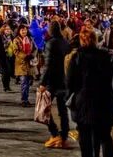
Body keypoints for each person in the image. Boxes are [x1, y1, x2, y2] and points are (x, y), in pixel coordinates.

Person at [67, 27, 113, 157]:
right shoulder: (105, 57)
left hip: (83, 102)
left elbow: (70, 82)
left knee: (85, 137)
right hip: (103, 101)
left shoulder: (77, 58)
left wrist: (70, 98)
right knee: (104, 136)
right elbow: (112, 81)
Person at [41, 21, 72, 149]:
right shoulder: (65, 42)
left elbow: (48, 65)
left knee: (44, 108)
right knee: (63, 111)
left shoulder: (51, 43)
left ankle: (54, 134)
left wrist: (42, 82)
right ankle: (63, 136)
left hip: (52, 81)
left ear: (50, 30)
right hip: (63, 80)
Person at [13, 24, 36, 107]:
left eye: (25, 30)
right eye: (22, 30)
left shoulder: (30, 39)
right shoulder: (16, 40)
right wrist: (25, 56)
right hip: (21, 64)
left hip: (30, 64)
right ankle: (24, 100)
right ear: (19, 31)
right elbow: (15, 51)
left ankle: (26, 98)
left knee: (28, 82)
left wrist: (32, 55)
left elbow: (35, 48)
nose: (24, 31)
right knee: (24, 82)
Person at [0, 23, 16, 92]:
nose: (8, 30)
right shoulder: (1, 37)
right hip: (4, 56)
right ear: (3, 30)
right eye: (6, 29)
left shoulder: (12, 36)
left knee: (9, 72)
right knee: (5, 72)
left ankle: (8, 86)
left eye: (9, 29)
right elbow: (1, 47)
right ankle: (5, 86)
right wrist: (7, 43)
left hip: (11, 55)